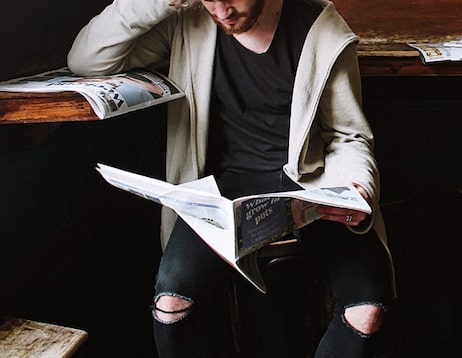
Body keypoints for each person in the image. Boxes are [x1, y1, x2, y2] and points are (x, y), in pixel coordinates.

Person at [68, 0, 395, 356]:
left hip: (310, 182)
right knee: (171, 307)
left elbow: (347, 135)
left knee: (365, 310)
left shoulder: (322, 30)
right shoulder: (188, 21)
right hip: (219, 190)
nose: (222, 11)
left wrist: (358, 185)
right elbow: (88, 60)